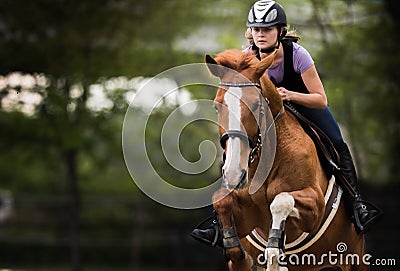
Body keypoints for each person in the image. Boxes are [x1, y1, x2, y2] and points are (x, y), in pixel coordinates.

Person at [191, 0, 381, 246]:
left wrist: (290, 95)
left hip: (304, 104)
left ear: (280, 31)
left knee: (337, 141)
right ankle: (219, 221)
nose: (261, 34)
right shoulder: (248, 56)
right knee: (233, 148)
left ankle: (357, 205)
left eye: (267, 29)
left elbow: (321, 99)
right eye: (257, 29)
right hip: (269, 112)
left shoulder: (298, 55)